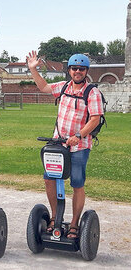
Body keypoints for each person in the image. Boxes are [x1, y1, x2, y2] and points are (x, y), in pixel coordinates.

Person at [26, 51, 104, 239]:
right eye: (74, 68)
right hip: (58, 144)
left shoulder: (91, 92)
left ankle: (75, 223)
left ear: (86, 71)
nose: (77, 71)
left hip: (79, 146)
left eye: (81, 69)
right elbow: (44, 87)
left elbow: (95, 119)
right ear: (69, 70)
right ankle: (55, 217)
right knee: (49, 179)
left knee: (77, 183)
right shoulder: (62, 87)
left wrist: (79, 135)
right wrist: (33, 69)